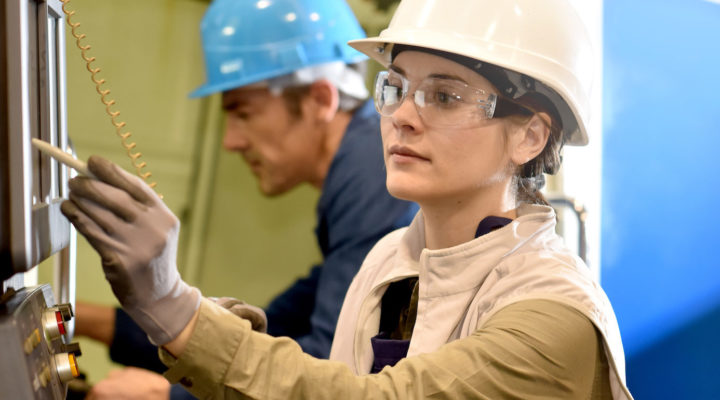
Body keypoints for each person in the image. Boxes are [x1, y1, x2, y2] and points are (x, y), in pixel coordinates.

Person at [63, 0, 635, 398]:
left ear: (530, 135)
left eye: (444, 95)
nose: (402, 117)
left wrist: (174, 310)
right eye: (398, 87)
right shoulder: (390, 259)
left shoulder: (554, 321)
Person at [72, 0, 416, 397]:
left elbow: (330, 370)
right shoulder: (359, 176)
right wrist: (80, 319)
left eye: (243, 113)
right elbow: (262, 333)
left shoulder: (371, 176)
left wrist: (166, 397)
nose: (231, 141)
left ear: (321, 100)